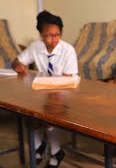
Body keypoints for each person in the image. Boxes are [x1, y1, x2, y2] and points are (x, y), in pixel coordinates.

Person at [12, 10, 78, 168]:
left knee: (49, 115)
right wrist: (18, 66)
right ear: (41, 35)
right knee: (30, 114)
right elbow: (16, 60)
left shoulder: (67, 50)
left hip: (65, 92)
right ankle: (38, 146)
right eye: (49, 35)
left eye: (57, 34)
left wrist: (50, 89)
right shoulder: (36, 46)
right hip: (43, 91)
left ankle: (56, 151)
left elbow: (69, 79)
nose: (54, 39)